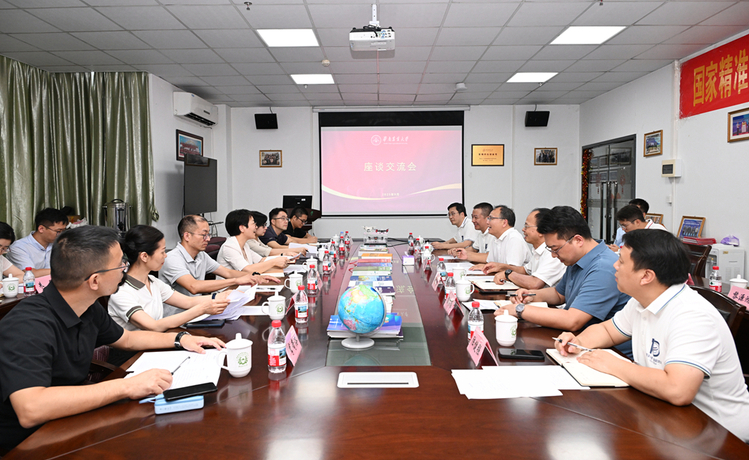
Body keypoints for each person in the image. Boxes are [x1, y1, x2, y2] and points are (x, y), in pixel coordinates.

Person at [0, 226, 226, 451]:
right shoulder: (27, 325)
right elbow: (31, 409)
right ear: (95, 280)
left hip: (72, 421)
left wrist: (181, 339)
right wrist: (127, 386)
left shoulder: (88, 307)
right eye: (120, 265)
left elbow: (126, 339)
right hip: (28, 443)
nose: (124, 270)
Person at [554, 229, 749, 442]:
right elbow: (608, 331)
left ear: (646, 276)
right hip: (663, 414)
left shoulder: (692, 316)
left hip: (717, 433)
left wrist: (613, 364)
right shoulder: (641, 300)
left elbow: (678, 390)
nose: (614, 266)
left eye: (621, 261)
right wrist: (578, 341)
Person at [496, 205, 632, 357]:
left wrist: (520, 310)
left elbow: (573, 320)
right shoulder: (578, 258)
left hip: (608, 352)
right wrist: (532, 295)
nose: (554, 255)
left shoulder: (603, 267)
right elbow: (559, 294)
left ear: (578, 240)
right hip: (578, 341)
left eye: (556, 249)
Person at [109, 225, 231, 333]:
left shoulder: (153, 281)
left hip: (158, 342)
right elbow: (154, 326)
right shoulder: (121, 292)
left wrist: (224, 296)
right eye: (162, 252)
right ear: (144, 256)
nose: (165, 255)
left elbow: (188, 301)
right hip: (140, 350)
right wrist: (202, 309)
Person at [159, 215, 276, 316]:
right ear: (187, 236)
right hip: (177, 318)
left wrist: (255, 276)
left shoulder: (201, 255)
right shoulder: (172, 258)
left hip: (199, 311)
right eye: (204, 235)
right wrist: (236, 280)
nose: (208, 239)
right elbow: (194, 286)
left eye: (208, 234)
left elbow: (227, 272)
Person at [489, 208, 566, 289]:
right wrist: (501, 267)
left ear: (541, 231)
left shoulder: (553, 253)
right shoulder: (538, 250)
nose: (523, 229)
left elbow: (535, 283)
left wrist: (507, 274)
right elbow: (525, 271)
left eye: (527, 226)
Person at [452, 205, 531, 274]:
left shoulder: (514, 238)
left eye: (491, 218)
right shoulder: (495, 238)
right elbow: (492, 262)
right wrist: (485, 266)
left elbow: (512, 270)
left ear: (504, 222)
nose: (487, 222)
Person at [218, 209, 290, 274]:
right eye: (253, 223)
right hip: (232, 285)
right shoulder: (229, 247)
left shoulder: (244, 245)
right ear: (242, 228)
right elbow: (248, 270)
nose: (256, 227)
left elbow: (261, 260)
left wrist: (283, 256)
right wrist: (274, 262)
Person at [6, 207, 69, 277]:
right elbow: (31, 273)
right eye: (58, 231)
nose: (61, 235)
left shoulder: (58, 244)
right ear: (41, 229)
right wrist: (63, 270)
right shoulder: (18, 247)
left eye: (64, 231)